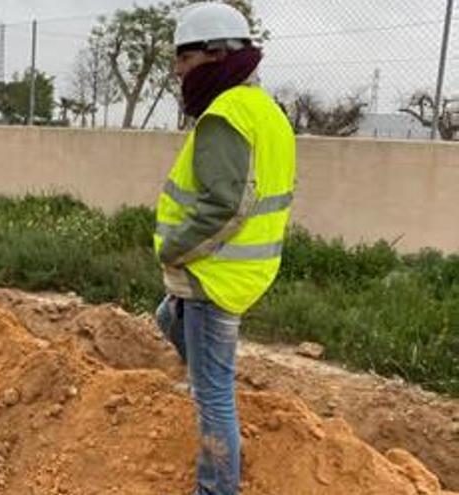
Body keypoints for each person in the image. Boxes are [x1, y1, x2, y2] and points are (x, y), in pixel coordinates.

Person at [152, 3, 296, 495]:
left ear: (215, 54)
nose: (178, 70)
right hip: (241, 271)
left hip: (214, 276)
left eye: (184, 59)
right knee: (167, 318)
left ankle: (217, 488)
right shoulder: (266, 112)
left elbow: (225, 206)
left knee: (214, 396)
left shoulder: (224, 116)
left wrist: (173, 249)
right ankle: (207, 386)